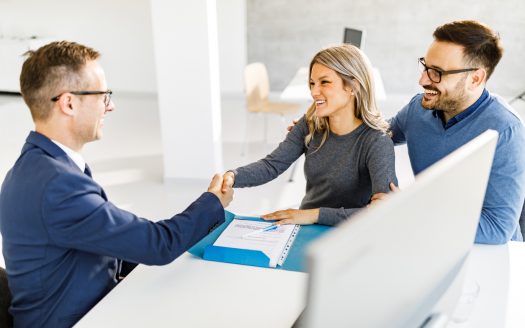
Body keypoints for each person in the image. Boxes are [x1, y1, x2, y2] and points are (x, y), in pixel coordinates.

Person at [0, 41, 233, 328]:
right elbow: (157, 245)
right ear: (69, 103)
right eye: (103, 96)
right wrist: (213, 201)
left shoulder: (36, 166)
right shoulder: (58, 185)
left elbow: (101, 240)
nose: (111, 106)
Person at [222, 44, 398, 226]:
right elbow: (272, 165)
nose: (314, 92)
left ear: (352, 86)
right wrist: (232, 176)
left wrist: (314, 215)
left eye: (324, 82)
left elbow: (383, 211)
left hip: (349, 233)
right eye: (312, 83)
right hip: (304, 226)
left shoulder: (377, 141)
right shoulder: (310, 124)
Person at [384, 20, 525, 244]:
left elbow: (497, 229)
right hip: (432, 241)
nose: (422, 80)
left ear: (475, 78)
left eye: (437, 73)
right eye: (425, 67)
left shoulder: (507, 130)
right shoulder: (417, 109)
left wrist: (409, 212)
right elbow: (379, 135)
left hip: (490, 256)